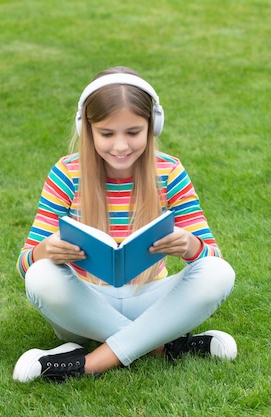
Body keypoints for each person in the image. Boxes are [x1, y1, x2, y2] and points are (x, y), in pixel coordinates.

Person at [12, 66, 237, 383]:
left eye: (133, 133)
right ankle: (163, 346)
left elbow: (213, 257)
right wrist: (45, 251)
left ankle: (84, 364)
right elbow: (25, 265)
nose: (120, 146)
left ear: (152, 126)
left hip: (152, 298)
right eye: (107, 134)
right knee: (41, 275)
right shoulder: (66, 173)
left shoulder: (169, 172)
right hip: (86, 303)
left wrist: (190, 246)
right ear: (87, 129)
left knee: (219, 273)